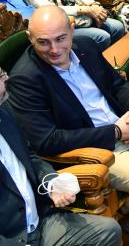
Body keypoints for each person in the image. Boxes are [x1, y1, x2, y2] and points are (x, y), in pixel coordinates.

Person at [6, 6, 129, 246]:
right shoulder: (24, 78)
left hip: (126, 126)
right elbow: (47, 140)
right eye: (43, 42)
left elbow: (118, 85)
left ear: (72, 30)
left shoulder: (86, 46)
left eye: (60, 39)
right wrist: (116, 132)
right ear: (30, 39)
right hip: (96, 149)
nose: (54, 49)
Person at [0, 69, 122, 246]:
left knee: (108, 231)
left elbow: (30, 157)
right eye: (1, 77)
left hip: (40, 221)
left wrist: (51, 183)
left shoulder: (5, 109)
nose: (6, 81)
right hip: (10, 238)